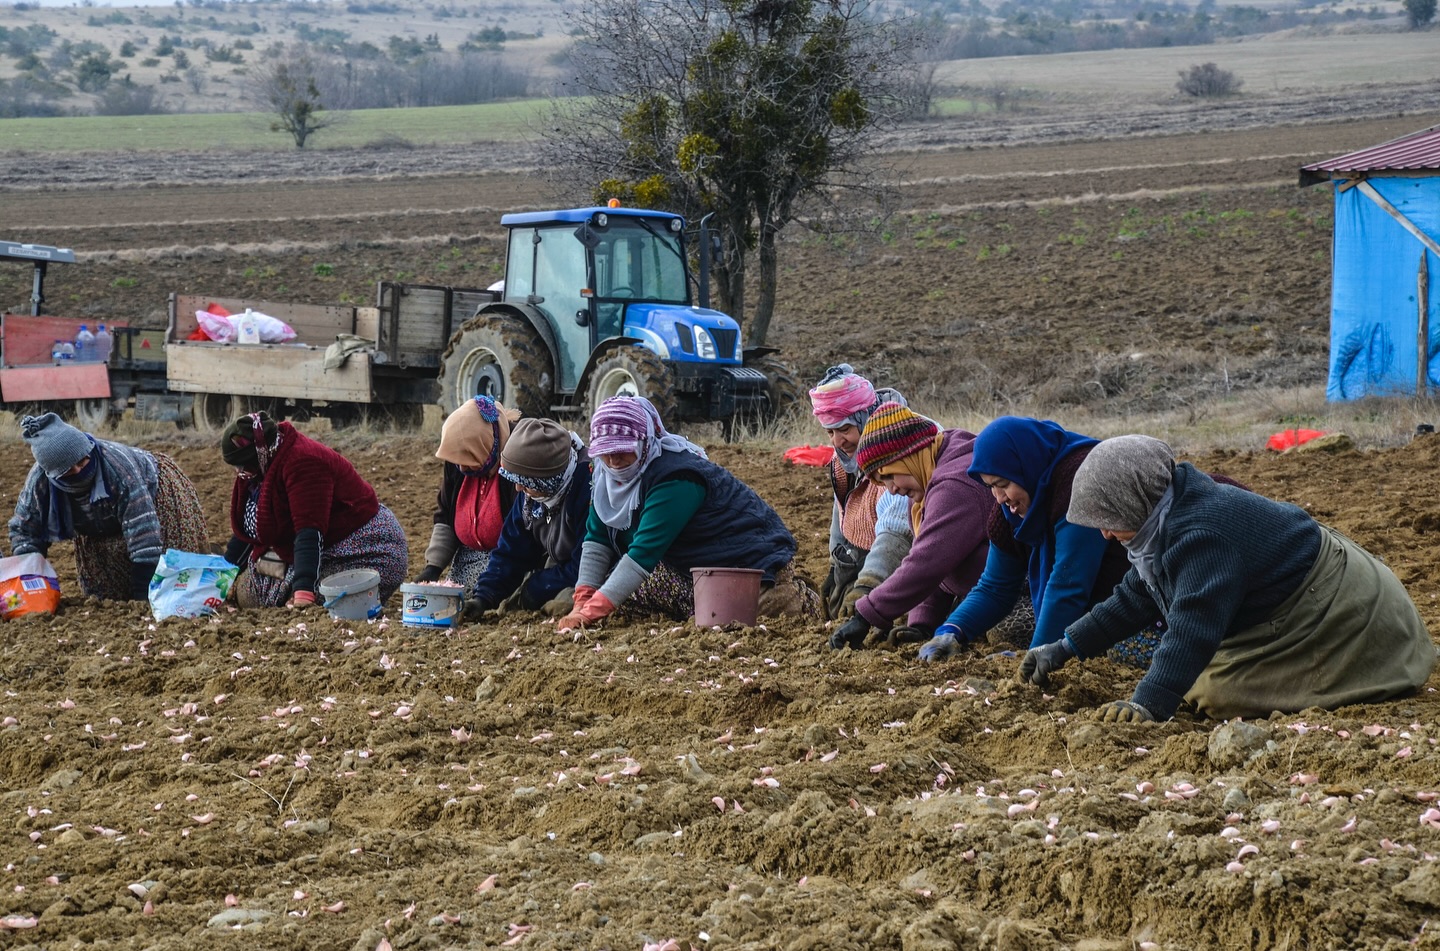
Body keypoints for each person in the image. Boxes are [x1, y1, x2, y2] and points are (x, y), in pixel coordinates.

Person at [1019, 435, 1436, 722]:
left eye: (1109, 520)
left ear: (1135, 500)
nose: (1106, 534)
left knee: (1214, 692)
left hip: (1344, 610)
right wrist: (1064, 646)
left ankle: (1373, 671)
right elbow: (1135, 596)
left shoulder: (1201, 535)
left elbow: (1192, 631)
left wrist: (1146, 705)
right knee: (1196, 678)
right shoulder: (1164, 513)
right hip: (1308, 595)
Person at [557, 395, 815, 631]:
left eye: (622, 450)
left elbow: (643, 554)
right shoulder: (605, 476)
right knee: (624, 597)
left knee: (732, 621)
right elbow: (597, 537)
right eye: (605, 452)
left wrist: (589, 614)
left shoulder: (676, 478)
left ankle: (792, 595)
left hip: (744, 559)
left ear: (644, 442)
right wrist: (582, 600)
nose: (613, 460)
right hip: (688, 564)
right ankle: (702, 604)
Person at [916, 416, 1134, 662]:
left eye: (1003, 484)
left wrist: (1037, 654)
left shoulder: (1079, 483)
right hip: (1085, 613)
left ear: (1026, 466)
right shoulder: (1010, 512)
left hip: (1130, 610)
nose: (998, 498)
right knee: (1009, 630)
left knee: (1123, 655)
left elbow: (1068, 585)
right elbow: (995, 586)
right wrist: (951, 631)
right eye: (990, 487)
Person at [827, 401, 993, 651]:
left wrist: (866, 615)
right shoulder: (926, 473)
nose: (892, 489)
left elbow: (927, 563)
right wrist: (922, 623)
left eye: (890, 474)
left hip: (1021, 591)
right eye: (882, 481)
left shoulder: (954, 486)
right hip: (981, 590)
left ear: (911, 453)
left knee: (1007, 631)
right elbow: (935, 561)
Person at [9, 413, 209, 602]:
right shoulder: (40, 482)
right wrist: (30, 578)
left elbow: (143, 533)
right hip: (95, 518)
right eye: (69, 471)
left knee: (169, 584)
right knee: (106, 593)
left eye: (82, 461)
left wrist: (143, 598)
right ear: (53, 475)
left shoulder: (118, 468)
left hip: (153, 489)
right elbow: (24, 529)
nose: (79, 470)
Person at [221, 411, 408, 609]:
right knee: (251, 594)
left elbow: (309, 531)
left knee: (333, 596)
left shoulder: (304, 462)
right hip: (314, 547)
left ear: (259, 454)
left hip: (361, 547)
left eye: (242, 465)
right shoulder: (257, 470)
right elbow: (248, 533)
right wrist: (222, 577)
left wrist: (304, 592)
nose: (238, 472)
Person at [808, 365, 913, 620]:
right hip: (864, 551)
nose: (837, 441)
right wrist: (835, 567)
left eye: (844, 429)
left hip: (907, 555)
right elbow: (841, 508)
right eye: (830, 432)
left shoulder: (899, 442)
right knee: (839, 610)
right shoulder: (843, 459)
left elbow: (897, 529)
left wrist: (868, 583)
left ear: (865, 417)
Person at [463, 418, 593, 619]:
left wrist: (534, 588)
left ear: (547, 479)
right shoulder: (532, 495)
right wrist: (484, 597)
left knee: (563, 603)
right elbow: (511, 551)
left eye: (525, 483)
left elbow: (587, 564)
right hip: (561, 566)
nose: (518, 489)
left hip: (596, 572)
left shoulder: (588, 488)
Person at [414, 395, 519, 589]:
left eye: (468, 458)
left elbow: (522, 535)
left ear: (483, 443)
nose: (462, 467)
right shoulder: (458, 463)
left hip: (510, 559)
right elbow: (445, 514)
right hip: (467, 558)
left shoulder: (517, 464)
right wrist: (433, 568)